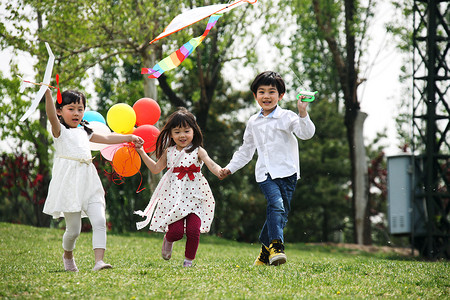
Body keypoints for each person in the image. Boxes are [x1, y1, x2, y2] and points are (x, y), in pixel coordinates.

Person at [220, 71, 315, 266]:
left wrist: (303, 112)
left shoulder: (287, 117)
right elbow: (246, 151)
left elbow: (306, 134)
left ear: (280, 96)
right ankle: (276, 246)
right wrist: (229, 168)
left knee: (280, 214)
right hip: (265, 174)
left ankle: (264, 254)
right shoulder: (253, 122)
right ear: (255, 96)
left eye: (272, 92)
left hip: (288, 174)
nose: (266, 96)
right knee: (276, 205)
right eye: (261, 92)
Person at [42, 88, 144, 272]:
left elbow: (106, 137)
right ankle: (68, 255)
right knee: (73, 230)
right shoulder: (59, 132)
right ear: (60, 111)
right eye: (71, 108)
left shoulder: (84, 131)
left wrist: (130, 136)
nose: (76, 113)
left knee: (99, 221)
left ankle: (99, 262)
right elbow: (50, 115)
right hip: (70, 185)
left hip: (89, 182)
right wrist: (48, 95)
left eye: (80, 109)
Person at [134, 107, 222, 267]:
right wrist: (141, 152)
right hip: (174, 197)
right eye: (177, 132)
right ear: (171, 134)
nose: (182, 135)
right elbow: (155, 169)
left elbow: (211, 163)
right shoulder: (169, 151)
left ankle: (188, 261)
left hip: (196, 196)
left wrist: (220, 171)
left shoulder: (198, 151)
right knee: (176, 232)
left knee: (194, 231)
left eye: (186, 131)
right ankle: (168, 239)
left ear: (194, 131)